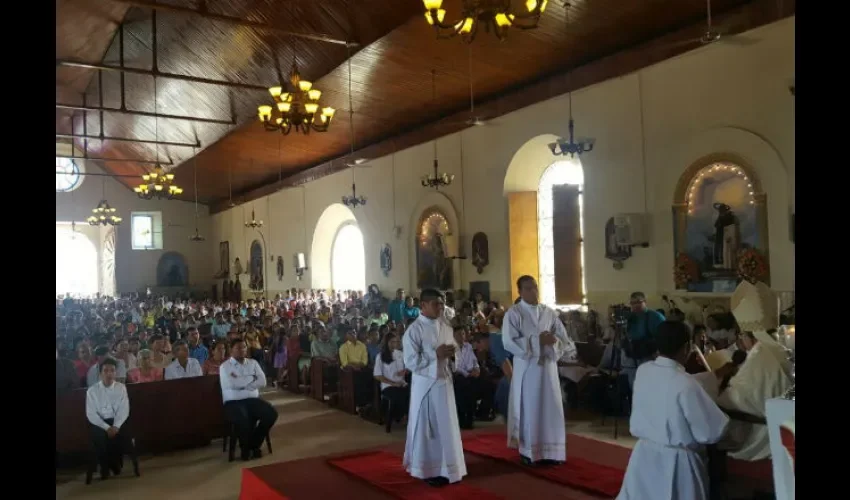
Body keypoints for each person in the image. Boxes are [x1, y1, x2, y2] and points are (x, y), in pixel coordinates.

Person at [617, 321, 730, 500]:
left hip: (643, 457)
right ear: (687, 347)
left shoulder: (643, 371)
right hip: (679, 464)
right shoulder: (686, 383)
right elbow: (710, 432)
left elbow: (670, 384)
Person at [502, 275, 573, 465]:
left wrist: (554, 341)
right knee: (531, 407)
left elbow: (564, 339)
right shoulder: (514, 313)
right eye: (528, 288)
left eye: (535, 287)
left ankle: (552, 452)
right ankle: (529, 452)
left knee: (551, 408)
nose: (534, 292)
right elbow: (508, 342)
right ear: (520, 291)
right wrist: (536, 341)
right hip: (528, 369)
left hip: (548, 369)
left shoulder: (548, 312)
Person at [402, 288, 466, 487]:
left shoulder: (445, 326)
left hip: (444, 382)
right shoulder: (414, 330)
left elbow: (452, 352)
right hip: (426, 386)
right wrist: (434, 355)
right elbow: (411, 362)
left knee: (446, 425)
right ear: (423, 305)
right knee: (429, 428)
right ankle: (430, 469)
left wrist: (456, 350)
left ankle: (450, 467)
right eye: (436, 304)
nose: (440, 307)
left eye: (442, 304)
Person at [219, 338, 279, 461]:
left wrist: (245, 383)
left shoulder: (253, 363)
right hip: (233, 402)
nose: (242, 350)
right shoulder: (225, 366)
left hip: (252, 399)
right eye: (239, 348)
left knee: (271, 414)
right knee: (243, 418)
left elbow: (262, 381)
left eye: (244, 347)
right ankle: (246, 450)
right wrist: (252, 379)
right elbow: (233, 384)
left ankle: (253, 444)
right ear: (231, 350)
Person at [85, 358, 132, 480]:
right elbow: (91, 414)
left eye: (112, 370)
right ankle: (105, 466)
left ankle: (114, 463)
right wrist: (107, 428)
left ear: (116, 373)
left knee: (119, 434)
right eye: (106, 371)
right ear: (100, 373)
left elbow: (124, 409)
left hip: (117, 421)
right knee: (100, 436)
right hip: (100, 423)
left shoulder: (121, 388)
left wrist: (116, 426)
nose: (109, 373)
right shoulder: (92, 391)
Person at [623, 291, 666, 388]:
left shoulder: (655, 317)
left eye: (639, 302)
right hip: (633, 357)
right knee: (634, 386)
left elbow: (665, 336)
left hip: (651, 356)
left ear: (645, 302)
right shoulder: (630, 318)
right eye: (633, 303)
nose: (636, 305)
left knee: (648, 385)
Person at [373, 331, 409, 423]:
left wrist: (405, 371)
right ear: (387, 342)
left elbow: (408, 367)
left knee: (411, 393)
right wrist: (393, 383)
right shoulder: (380, 356)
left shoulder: (400, 354)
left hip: (401, 383)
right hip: (388, 386)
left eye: (397, 341)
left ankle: (406, 416)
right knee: (399, 395)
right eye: (393, 341)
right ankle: (401, 416)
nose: (396, 343)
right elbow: (377, 375)